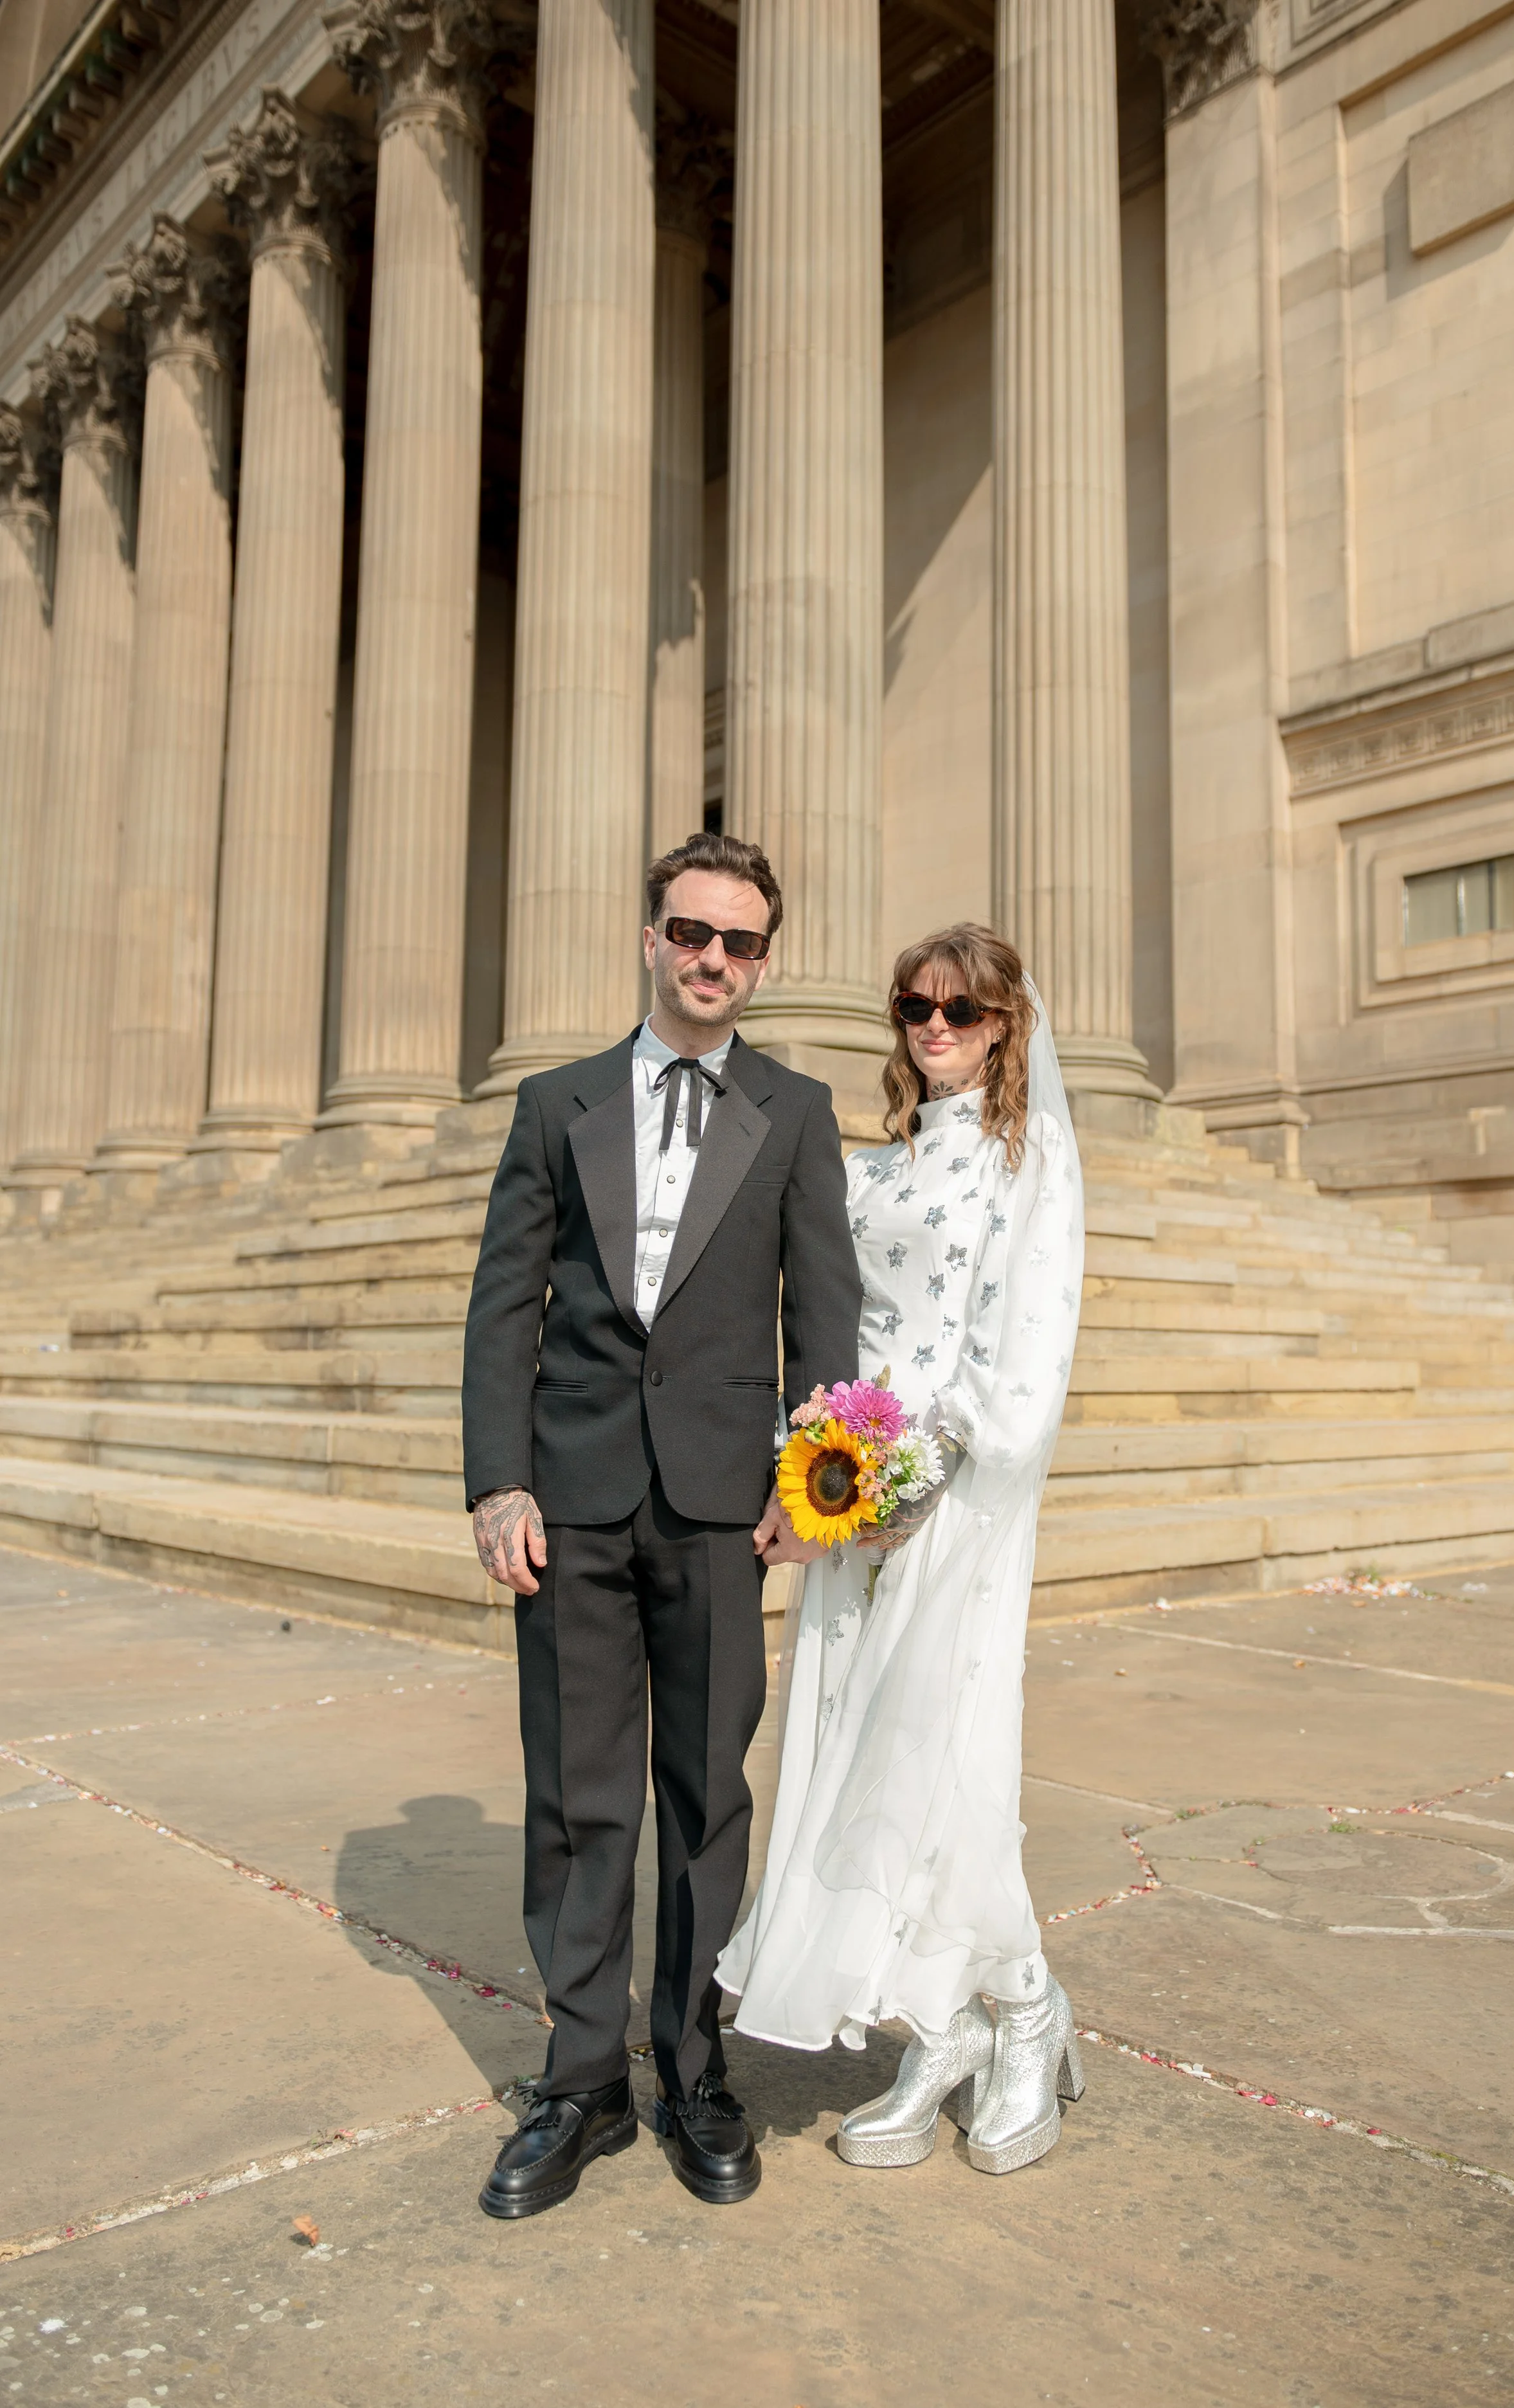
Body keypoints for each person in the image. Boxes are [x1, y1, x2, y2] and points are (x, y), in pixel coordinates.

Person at [462, 830, 861, 2218]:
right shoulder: (555, 1102)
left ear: (763, 959)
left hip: (719, 1515)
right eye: (692, 933)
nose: (712, 961)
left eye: (739, 943)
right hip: (567, 1502)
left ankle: (693, 2073)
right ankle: (578, 2087)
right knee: (576, 1804)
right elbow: (505, 1306)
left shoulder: (796, 1113)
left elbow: (824, 1318)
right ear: (651, 939)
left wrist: (812, 1492)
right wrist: (494, 1481)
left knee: (702, 1801)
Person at [718, 922, 1087, 2177]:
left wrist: (924, 1474)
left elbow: (1022, 1357)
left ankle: (1019, 2015)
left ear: (1005, 1024)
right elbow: (827, 1320)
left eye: (961, 1012)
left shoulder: (1025, 1159)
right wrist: (818, 1464)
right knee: (865, 1773)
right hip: (853, 1513)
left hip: (957, 1508)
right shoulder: (873, 1171)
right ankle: (937, 2028)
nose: (933, 1030)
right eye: (913, 1009)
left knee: (946, 1768)